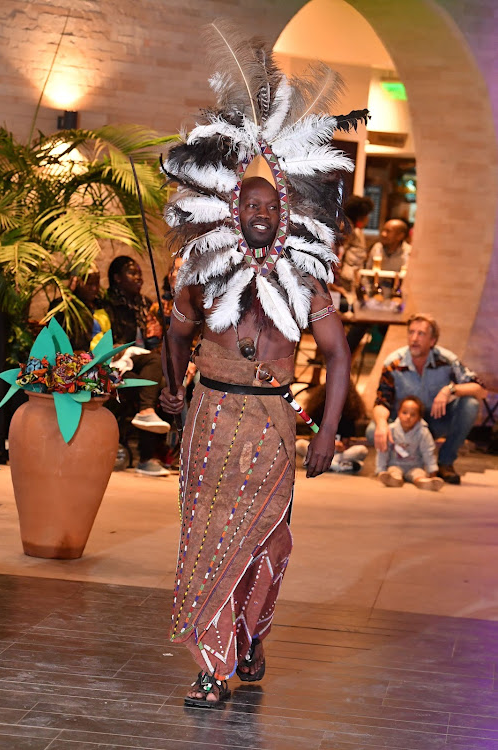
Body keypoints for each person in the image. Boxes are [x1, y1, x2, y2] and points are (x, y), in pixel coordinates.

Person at [158, 32, 367, 707]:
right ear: (231, 207)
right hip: (212, 417)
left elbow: (336, 358)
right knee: (208, 542)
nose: (255, 212)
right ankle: (212, 663)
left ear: (283, 212)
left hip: (274, 420)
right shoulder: (201, 275)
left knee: (268, 547)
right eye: (246, 203)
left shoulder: (309, 285)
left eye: (267, 205)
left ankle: (249, 635)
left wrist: (330, 432)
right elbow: (178, 333)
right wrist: (170, 388)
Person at [369, 313, 487, 485]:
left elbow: (481, 390)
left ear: (432, 341)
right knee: (373, 431)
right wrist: (381, 424)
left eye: (421, 334)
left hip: (435, 422)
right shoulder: (394, 363)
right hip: (403, 424)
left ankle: (445, 463)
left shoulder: (446, 360)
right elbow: (382, 402)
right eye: (411, 332)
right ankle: (401, 463)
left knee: (470, 404)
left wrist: (450, 389)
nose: (414, 338)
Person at [103, 255, 171, 477]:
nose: (139, 278)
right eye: (132, 273)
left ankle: (146, 413)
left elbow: (155, 343)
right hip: (114, 359)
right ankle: (145, 456)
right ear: (117, 278)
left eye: (140, 274)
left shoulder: (145, 305)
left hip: (141, 359)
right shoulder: (107, 304)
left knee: (155, 372)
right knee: (145, 381)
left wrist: (155, 334)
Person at [376, 395, 443, 491]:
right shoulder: (391, 430)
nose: (408, 417)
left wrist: (432, 471)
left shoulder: (423, 432)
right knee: (394, 472)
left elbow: (428, 451)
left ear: (419, 418)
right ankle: (395, 480)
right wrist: (380, 469)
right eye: (404, 413)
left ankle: (424, 483)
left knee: (419, 474)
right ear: (398, 413)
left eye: (413, 415)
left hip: (415, 466)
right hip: (396, 464)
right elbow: (383, 450)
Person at [340, 195, 374, 292]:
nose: (368, 219)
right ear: (361, 216)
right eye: (367, 215)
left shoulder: (349, 226)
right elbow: (340, 251)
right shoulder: (347, 228)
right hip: (343, 277)